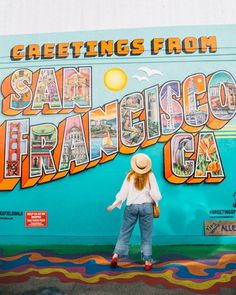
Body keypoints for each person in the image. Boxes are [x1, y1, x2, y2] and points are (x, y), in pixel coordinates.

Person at [107, 153, 162, 271]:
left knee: (124, 232)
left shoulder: (129, 175)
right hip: (146, 207)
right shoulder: (150, 175)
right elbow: (156, 194)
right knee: (146, 234)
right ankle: (147, 261)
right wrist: (156, 202)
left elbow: (123, 193)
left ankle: (115, 256)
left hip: (131, 207)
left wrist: (114, 204)